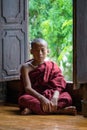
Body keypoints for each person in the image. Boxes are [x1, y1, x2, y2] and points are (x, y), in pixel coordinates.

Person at [18, 38, 77, 115]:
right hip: (35, 95)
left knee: (67, 98)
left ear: (48, 51)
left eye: (43, 50)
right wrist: (42, 99)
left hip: (50, 94)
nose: (40, 53)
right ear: (31, 51)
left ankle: (33, 110)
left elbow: (58, 85)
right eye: (36, 50)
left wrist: (55, 98)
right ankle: (59, 111)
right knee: (23, 99)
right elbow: (28, 88)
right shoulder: (25, 67)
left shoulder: (52, 66)